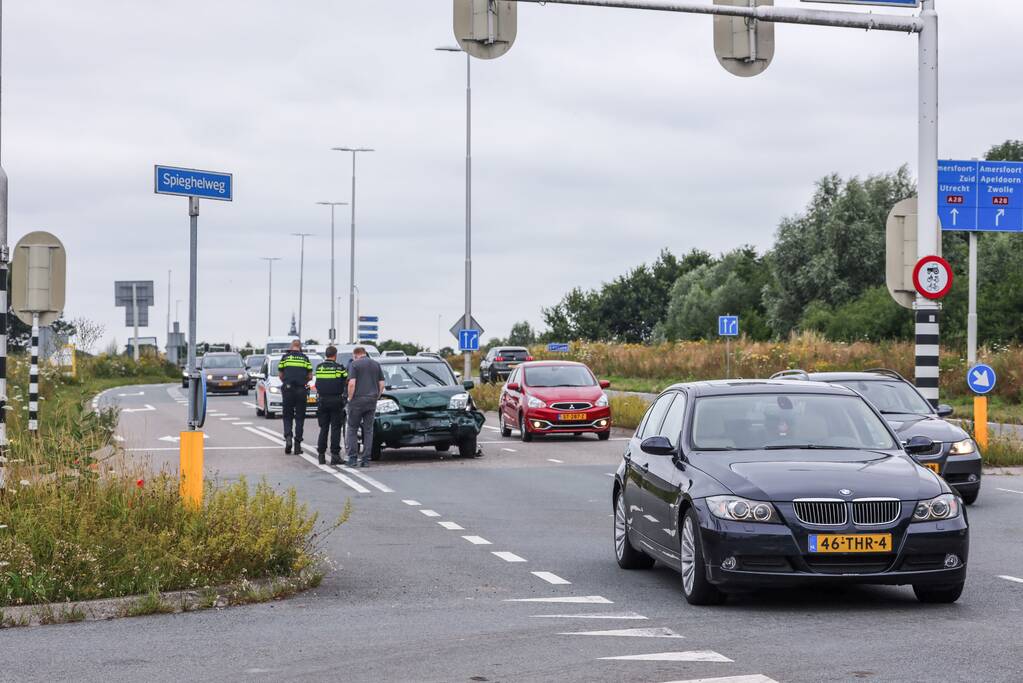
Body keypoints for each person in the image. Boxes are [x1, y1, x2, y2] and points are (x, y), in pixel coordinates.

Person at [346, 346, 384, 467]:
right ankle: (366, 459)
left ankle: (352, 458)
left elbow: (352, 383)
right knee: (368, 430)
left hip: (357, 400)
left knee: (352, 428)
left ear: (356, 354)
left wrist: (349, 398)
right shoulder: (376, 364)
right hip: (371, 400)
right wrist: (376, 396)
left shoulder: (355, 364)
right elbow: (382, 384)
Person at [314, 345, 349, 465]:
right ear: (335, 355)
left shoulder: (319, 368)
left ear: (326, 354)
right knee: (335, 428)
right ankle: (335, 455)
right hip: (336, 400)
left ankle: (321, 455)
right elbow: (346, 381)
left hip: (322, 400)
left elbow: (318, 384)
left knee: (323, 428)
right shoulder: (339, 368)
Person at [278, 340, 312, 455]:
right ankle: (297, 445)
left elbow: (281, 375)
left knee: (287, 416)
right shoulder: (305, 358)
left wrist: (287, 382)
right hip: (301, 390)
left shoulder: (285, 358)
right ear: (300, 347)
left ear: (291, 346)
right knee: (300, 417)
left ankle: (288, 438)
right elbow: (310, 376)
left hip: (288, 389)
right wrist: (303, 381)